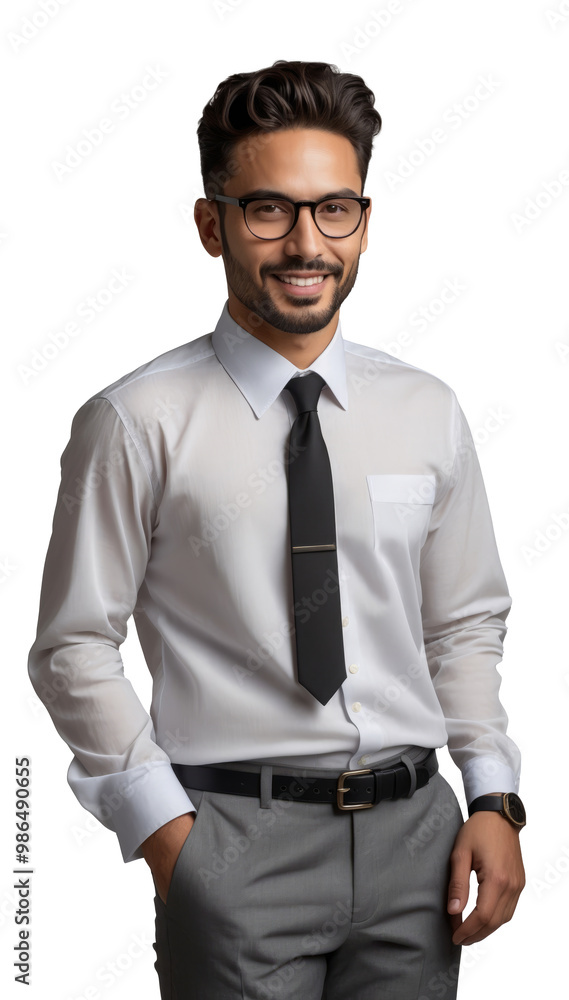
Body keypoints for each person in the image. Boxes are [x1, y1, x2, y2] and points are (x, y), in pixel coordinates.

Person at [28, 59, 526, 999]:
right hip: (232, 838)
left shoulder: (426, 410)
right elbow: (73, 648)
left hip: (416, 842)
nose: (307, 242)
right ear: (211, 225)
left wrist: (493, 796)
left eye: (334, 209)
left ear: (365, 223)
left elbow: (462, 623)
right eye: (269, 210)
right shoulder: (137, 420)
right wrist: (170, 841)